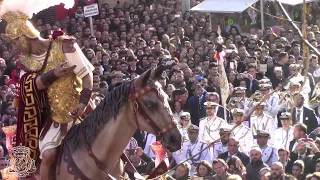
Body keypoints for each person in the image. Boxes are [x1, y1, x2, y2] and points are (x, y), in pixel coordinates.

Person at [0, 3, 94, 180]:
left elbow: (87, 76)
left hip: (82, 106)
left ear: (24, 35)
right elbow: (29, 86)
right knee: (49, 154)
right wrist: (53, 74)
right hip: (54, 117)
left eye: (14, 41)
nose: (14, 47)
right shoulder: (24, 63)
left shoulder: (63, 45)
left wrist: (83, 103)